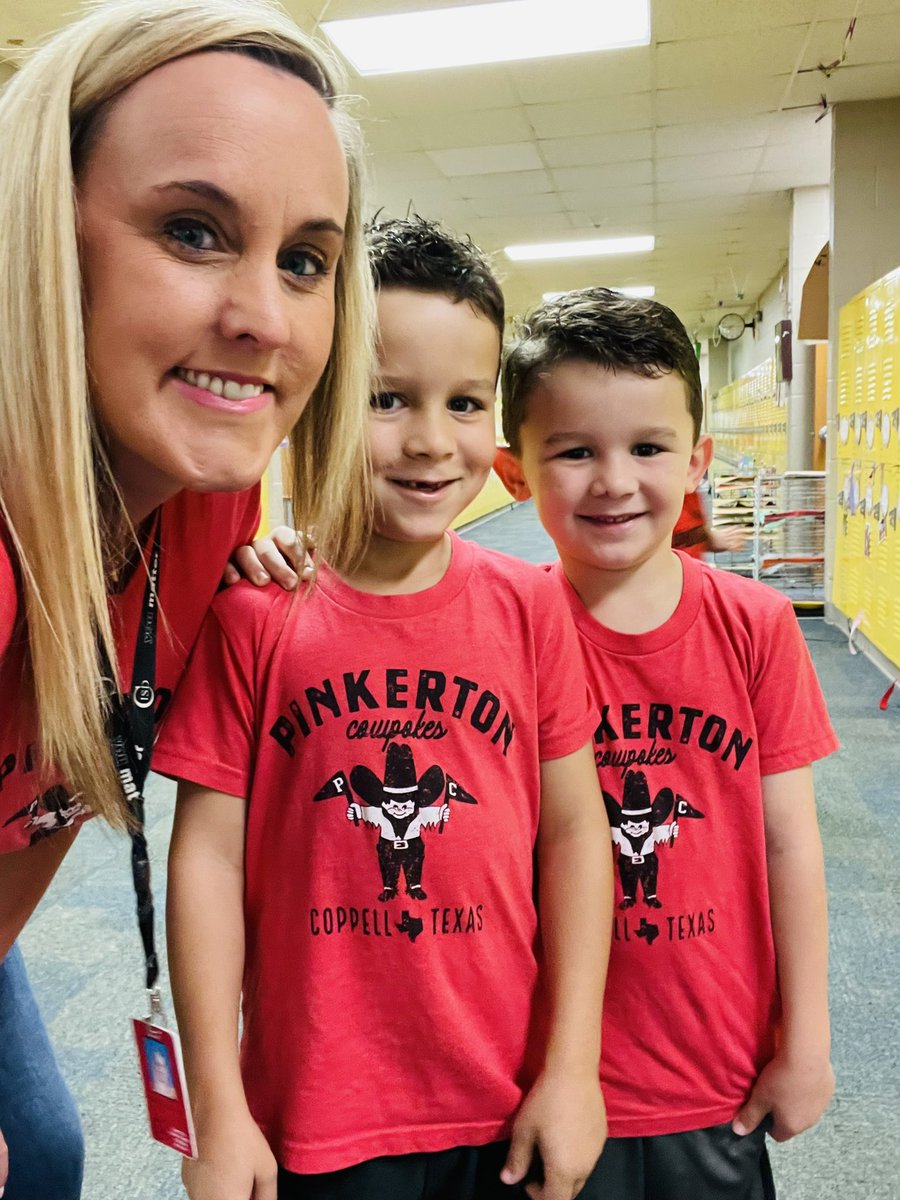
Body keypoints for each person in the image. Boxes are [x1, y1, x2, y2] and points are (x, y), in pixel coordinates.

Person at [154, 218, 612, 1200]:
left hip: (501, 1096)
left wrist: (574, 1067)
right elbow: (205, 860)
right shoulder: (253, 616)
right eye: (387, 399)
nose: (431, 442)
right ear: (315, 400)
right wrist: (216, 1104)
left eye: (464, 404)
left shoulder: (532, 609)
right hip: (316, 1109)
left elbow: (578, 837)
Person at [0, 1, 374, 1195]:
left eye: (305, 259)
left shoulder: (205, 504)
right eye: (194, 231)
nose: (265, 318)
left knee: (48, 1152)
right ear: (43, 240)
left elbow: (51, 796)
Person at [494, 287, 838, 1200]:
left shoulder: (755, 625)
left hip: (710, 1069)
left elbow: (789, 843)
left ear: (698, 461)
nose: (614, 480)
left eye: (648, 448)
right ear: (513, 471)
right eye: (574, 452)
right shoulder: (499, 628)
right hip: (547, 1075)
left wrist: (806, 1041)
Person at [673, 491, 746, 557]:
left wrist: (713, 541)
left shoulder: (690, 492)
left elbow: (690, 538)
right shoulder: (672, 492)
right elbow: (670, 539)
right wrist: (709, 537)